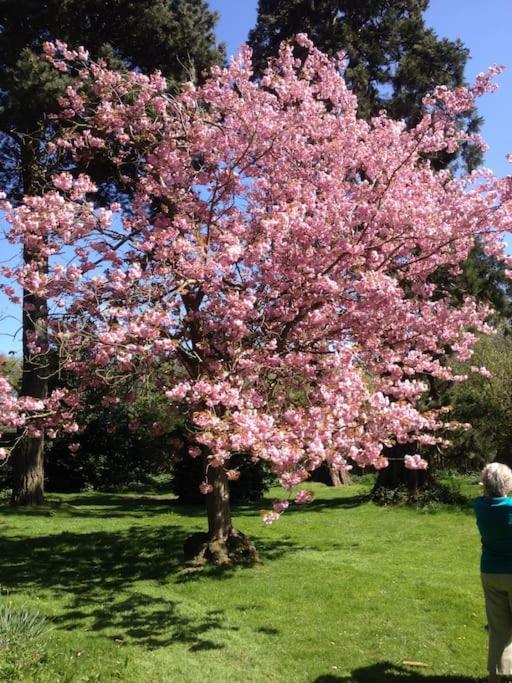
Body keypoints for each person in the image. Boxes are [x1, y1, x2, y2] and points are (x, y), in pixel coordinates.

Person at [475, 462, 512, 683]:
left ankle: (494, 678)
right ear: (507, 484)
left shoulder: (479, 505)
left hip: (490, 571)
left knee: (498, 628)